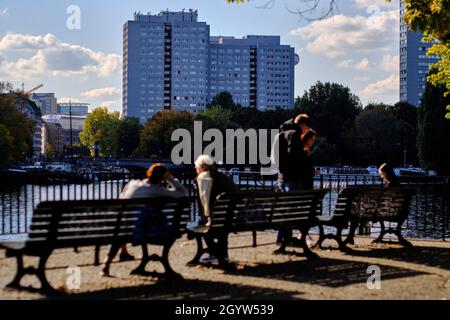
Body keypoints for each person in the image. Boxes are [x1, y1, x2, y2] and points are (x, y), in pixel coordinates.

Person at [100, 163, 187, 276]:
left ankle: (109, 261)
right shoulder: (157, 190)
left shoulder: (132, 184)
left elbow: (121, 201)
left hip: (122, 226)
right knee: (139, 219)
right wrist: (169, 178)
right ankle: (124, 252)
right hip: (142, 230)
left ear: (148, 173)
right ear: (162, 178)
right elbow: (182, 192)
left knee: (125, 221)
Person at [271, 114, 313, 243]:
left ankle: (282, 237)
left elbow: (274, 157)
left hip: (281, 176)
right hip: (293, 177)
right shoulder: (294, 134)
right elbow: (294, 154)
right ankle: (286, 238)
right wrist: (304, 154)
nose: (306, 132)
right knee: (291, 208)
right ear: (303, 125)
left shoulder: (281, 133)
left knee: (284, 207)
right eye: (306, 128)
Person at [194, 155, 236, 264]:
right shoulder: (225, 177)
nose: (195, 169)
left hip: (217, 218)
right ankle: (223, 254)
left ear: (202, 167)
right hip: (233, 218)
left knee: (200, 222)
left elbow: (205, 201)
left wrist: (208, 218)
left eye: (196, 167)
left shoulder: (203, 178)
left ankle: (215, 253)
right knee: (221, 221)